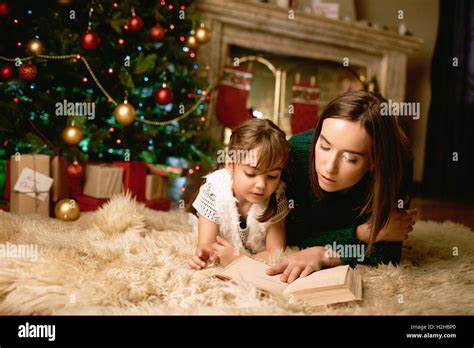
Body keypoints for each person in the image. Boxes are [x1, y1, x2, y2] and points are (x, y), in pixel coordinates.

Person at [267, 90, 417, 283]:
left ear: (374, 162)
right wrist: (360, 233)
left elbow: (386, 252)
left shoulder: (398, 167)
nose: (329, 167)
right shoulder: (296, 153)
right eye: (324, 146)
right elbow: (294, 238)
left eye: (350, 158)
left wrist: (323, 254)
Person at [188, 118, 290, 270]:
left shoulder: (277, 196)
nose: (261, 185)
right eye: (250, 173)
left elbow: (275, 251)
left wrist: (240, 260)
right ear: (230, 164)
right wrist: (203, 255)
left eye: (272, 176)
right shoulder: (213, 191)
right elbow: (207, 245)